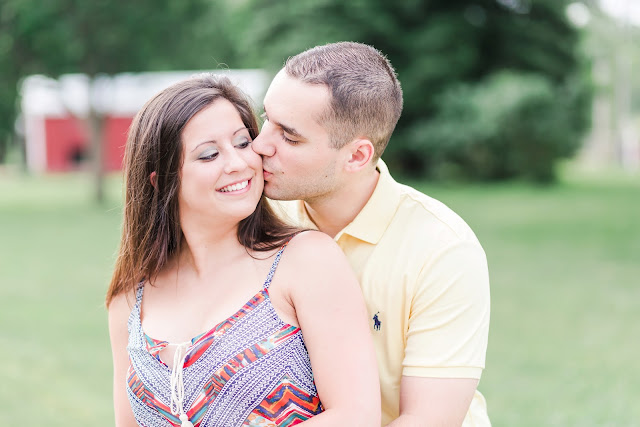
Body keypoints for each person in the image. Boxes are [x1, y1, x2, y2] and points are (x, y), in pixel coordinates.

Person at [106, 74, 380, 427]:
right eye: (209, 155)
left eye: (242, 143)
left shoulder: (306, 260)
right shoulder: (130, 299)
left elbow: (357, 416)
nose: (237, 163)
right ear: (162, 182)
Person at [252, 42, 491, 426]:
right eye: (267, 119)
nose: (261, 145)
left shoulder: (443, 250)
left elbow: (427, 420)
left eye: (289, 136)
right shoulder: (257, 218)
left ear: (357, 156)